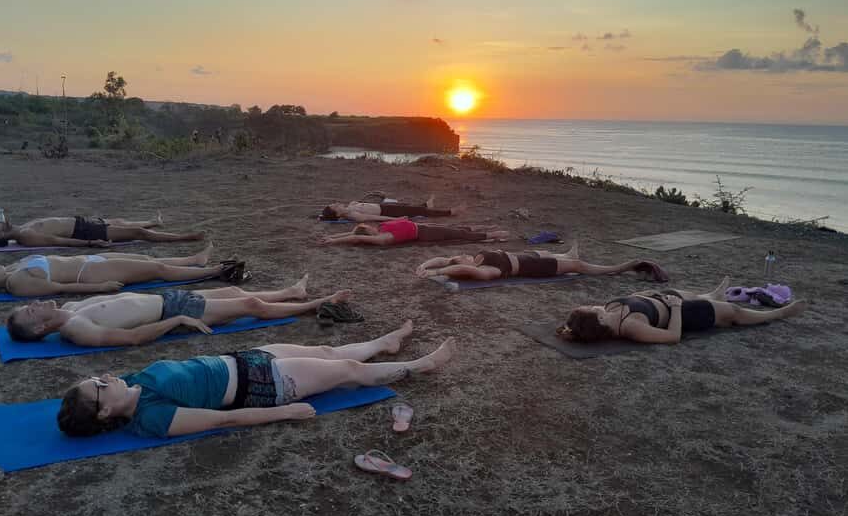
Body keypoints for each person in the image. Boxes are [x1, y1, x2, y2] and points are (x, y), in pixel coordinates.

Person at [56, 321, 455, 438]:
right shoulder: (152, 417)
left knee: (328, 354)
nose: (107, 376)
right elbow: (222, 420)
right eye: (100, 385)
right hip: (265, 386)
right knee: (347, 374)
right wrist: (285, 412)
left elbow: (112, 380)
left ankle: (382, 343)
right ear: (105, 409)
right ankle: (422, 366)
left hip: (245, 360)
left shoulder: (130, 381)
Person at [5, 275, 351, 346]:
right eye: (31, 312)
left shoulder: (70, 307)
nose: (35, 304)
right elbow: (131, 337)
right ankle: (316, 304)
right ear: (39, 331)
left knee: (232, 289)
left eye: (30, 304)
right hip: (173, 311)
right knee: (250, 305)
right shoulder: (74, 329)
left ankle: (291, 291)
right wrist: (178, 321)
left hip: (168, 297)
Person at [555, 277, 808, 344]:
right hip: (681, 312)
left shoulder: (609, 308)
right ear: (598, 317)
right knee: (733, 312)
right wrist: (675, 308)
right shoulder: (631, 327)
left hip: (662, 300)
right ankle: (778, 313)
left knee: (690, 294)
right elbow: (673, 337)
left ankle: (712, 293)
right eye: (588, 307)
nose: (591, 303)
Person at [0, 243, 243, 297]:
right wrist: (99, 288)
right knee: (157, 270)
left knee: (145, 260)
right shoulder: (17, 284)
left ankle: (195, 260)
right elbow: (61, 288)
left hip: (90, 261)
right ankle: (215, 271)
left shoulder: (11, 269)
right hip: (89, 275)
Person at [414, 241, 669, 282]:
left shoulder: (476, 258)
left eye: (462, 256)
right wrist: (439, 274)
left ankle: (567, 255)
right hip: (536, 268)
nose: (462, 256)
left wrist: (426, 265)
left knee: (557, 254)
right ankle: (625, 267)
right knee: (578, 267)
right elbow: (457, 267)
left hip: (530, 256)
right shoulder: (486, 271)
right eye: (462, 259)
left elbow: (442, 258)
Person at [0, 211, 204, 248]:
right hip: (85, 233)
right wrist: (90, 243)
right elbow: (58, 241)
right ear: (0, 235)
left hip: (82, 223)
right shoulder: (25, 236)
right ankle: (185, 237)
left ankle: (153, 222)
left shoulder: (17, 227)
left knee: (120, 221)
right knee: (138, 235)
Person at [322, 219, 509, 246]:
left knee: (457, 230)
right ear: (368, 233)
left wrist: (333, 236)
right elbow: (355, 235)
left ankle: (486, 231)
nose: (370, 225)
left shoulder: (381, 228)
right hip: (425, 233)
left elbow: (353, 231)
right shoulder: (381, 238)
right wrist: (334, 242)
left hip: (423, 226)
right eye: (367, 228)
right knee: (459, 234)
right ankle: (493, 235)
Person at [320, 195, 464, 222]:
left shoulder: (349, 207)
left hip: (384, 206)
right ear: (337, 213)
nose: (337, 203)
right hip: (387, 212)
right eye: (335, 205)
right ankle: (450, 212)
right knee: (418, 212)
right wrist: (395, 219)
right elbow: (374, 218)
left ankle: (426, 205)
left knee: (409, 207)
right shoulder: (353, 215)